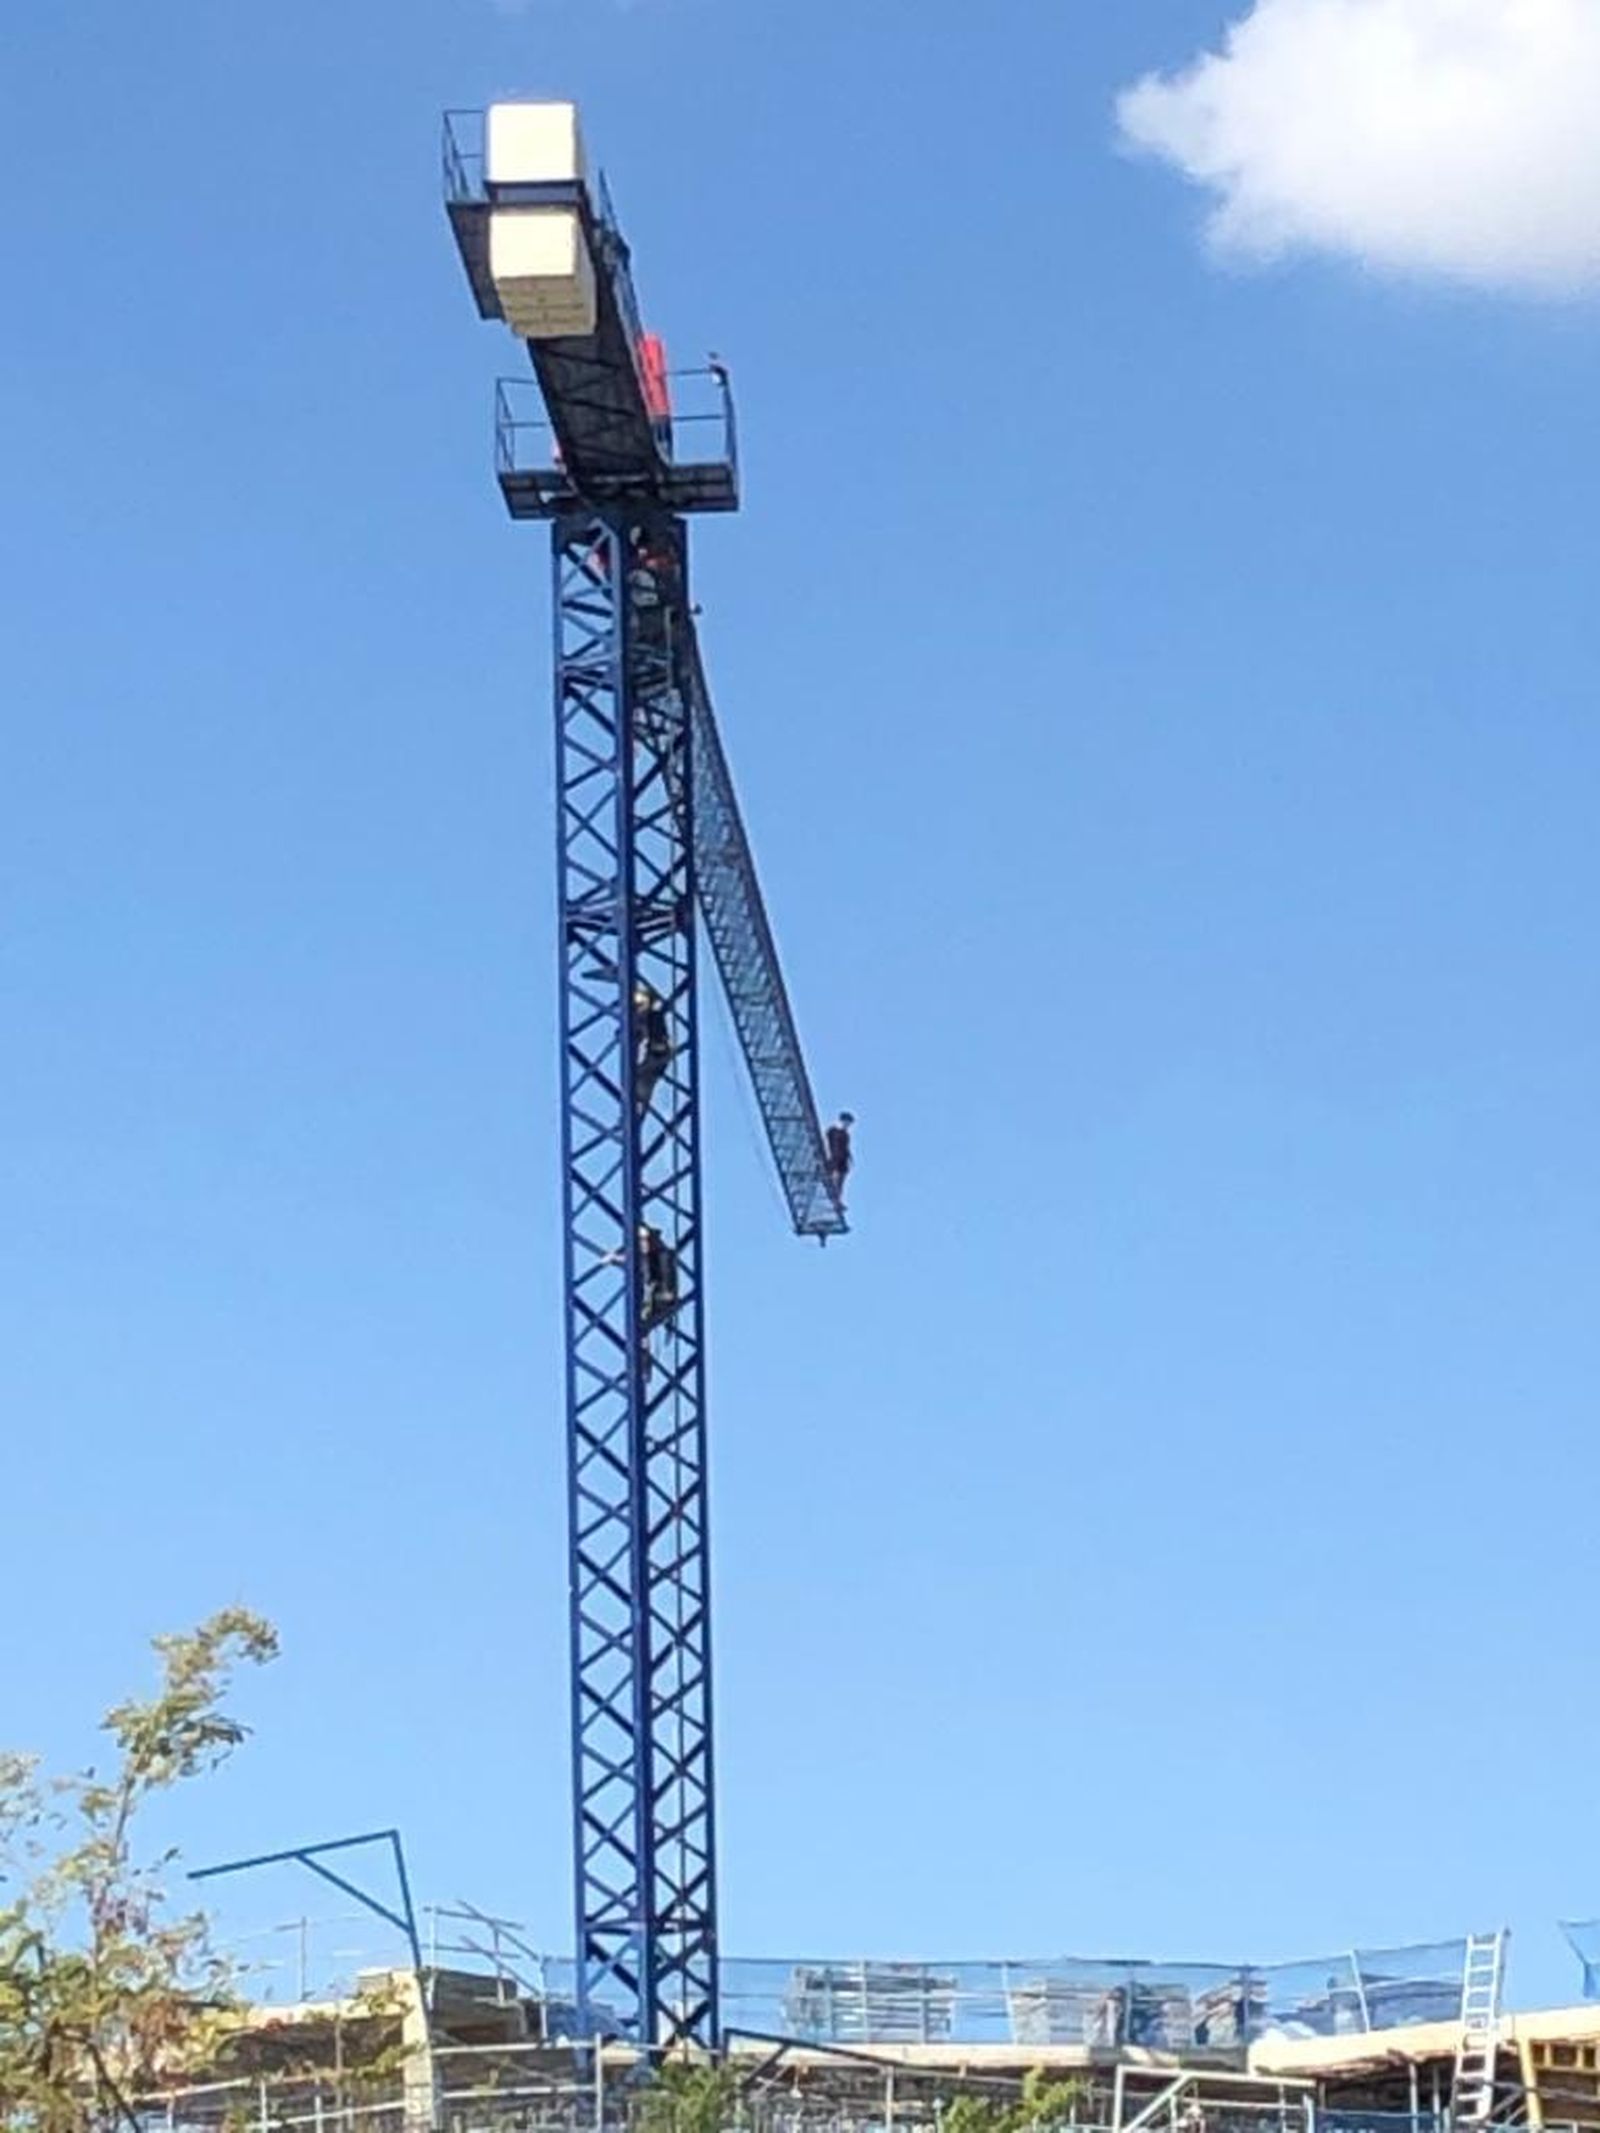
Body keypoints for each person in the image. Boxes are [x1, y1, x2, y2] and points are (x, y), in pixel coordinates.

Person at [633, 981, 673, 1113]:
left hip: (657, 1056)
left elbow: (648, 1035)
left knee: (642, 1080)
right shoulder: (650, 1017)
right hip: (657, 1056)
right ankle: (638, 1108)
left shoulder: (653, 1017)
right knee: (641, 1080)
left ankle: (639, 1109)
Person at [824, 1111, 855, 1204]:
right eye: (846, 1122)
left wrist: (850, 1158)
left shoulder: (846, 1135)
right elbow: (830, 1143)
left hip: (842, 1160)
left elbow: (846, 1148)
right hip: (834, 1158)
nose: (848, 1125)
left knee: (841, 1179)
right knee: (832, 1174)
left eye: (849, 1123)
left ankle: (837, 1198)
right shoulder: (833, 1130)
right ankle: (831, 1189)